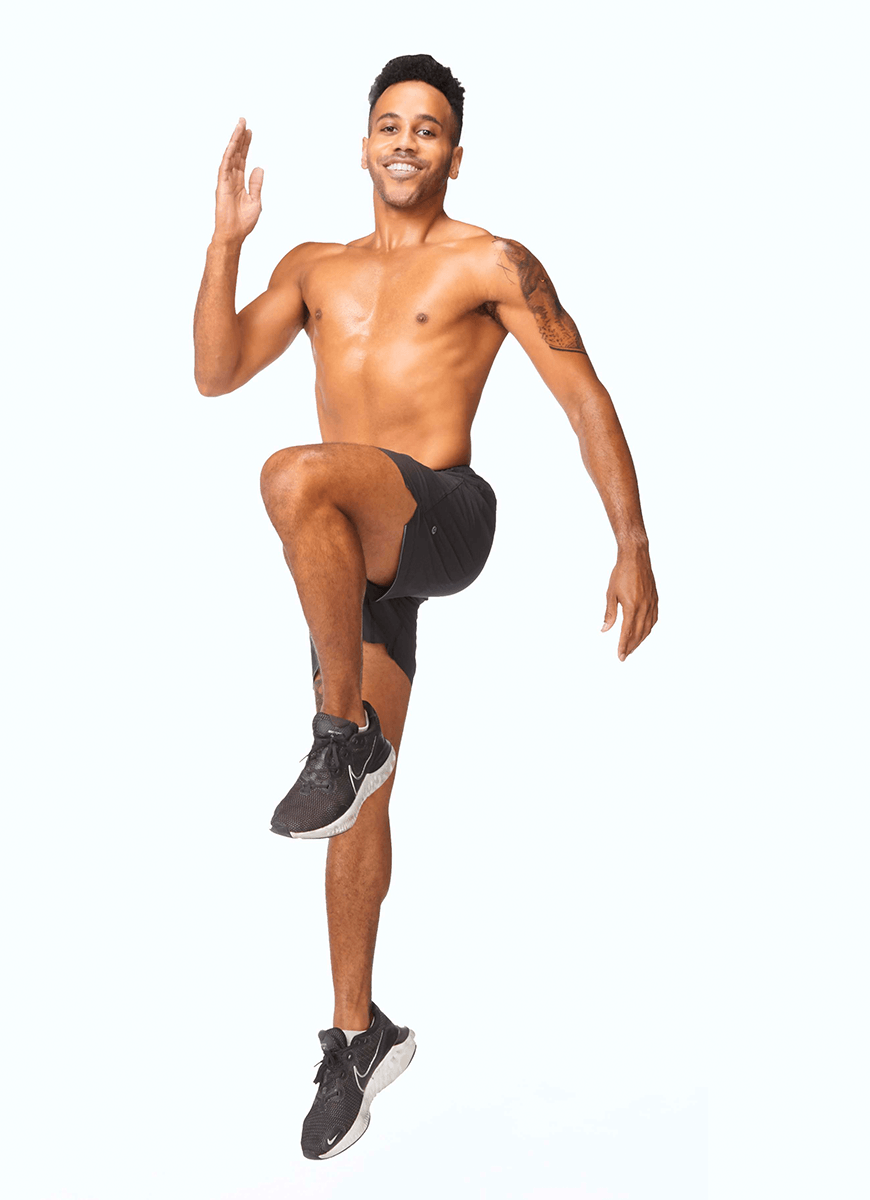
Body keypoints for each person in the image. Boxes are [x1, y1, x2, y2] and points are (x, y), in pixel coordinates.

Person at [191, 53, 659, 1159]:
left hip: (443, 515)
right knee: (360, 803)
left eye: (429, 129)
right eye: (391, 125)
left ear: (454, 155)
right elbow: (215, 370)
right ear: (364, 145)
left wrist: (632, 542)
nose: (407, 142)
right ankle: (359, 1037)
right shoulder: (313, 269)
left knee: (293, 473)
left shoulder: (489, 261)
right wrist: (226, 243)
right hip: (349, 559)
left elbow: (583, 396)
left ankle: (338, 735)